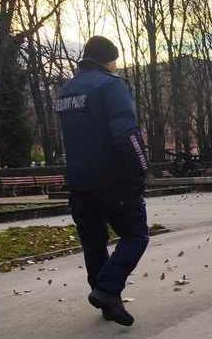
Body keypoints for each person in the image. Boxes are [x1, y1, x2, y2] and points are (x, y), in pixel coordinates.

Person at [54, 36, 149, 326]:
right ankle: (107, 290)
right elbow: (126, 134)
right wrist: (141, 168)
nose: (115, 66)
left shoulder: (66, 91)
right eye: (115, 62)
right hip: (113, 179)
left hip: (79, 182)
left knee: (94, 244)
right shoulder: (111, 86)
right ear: (109, 60)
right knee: (136, 236)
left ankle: (109, 303)